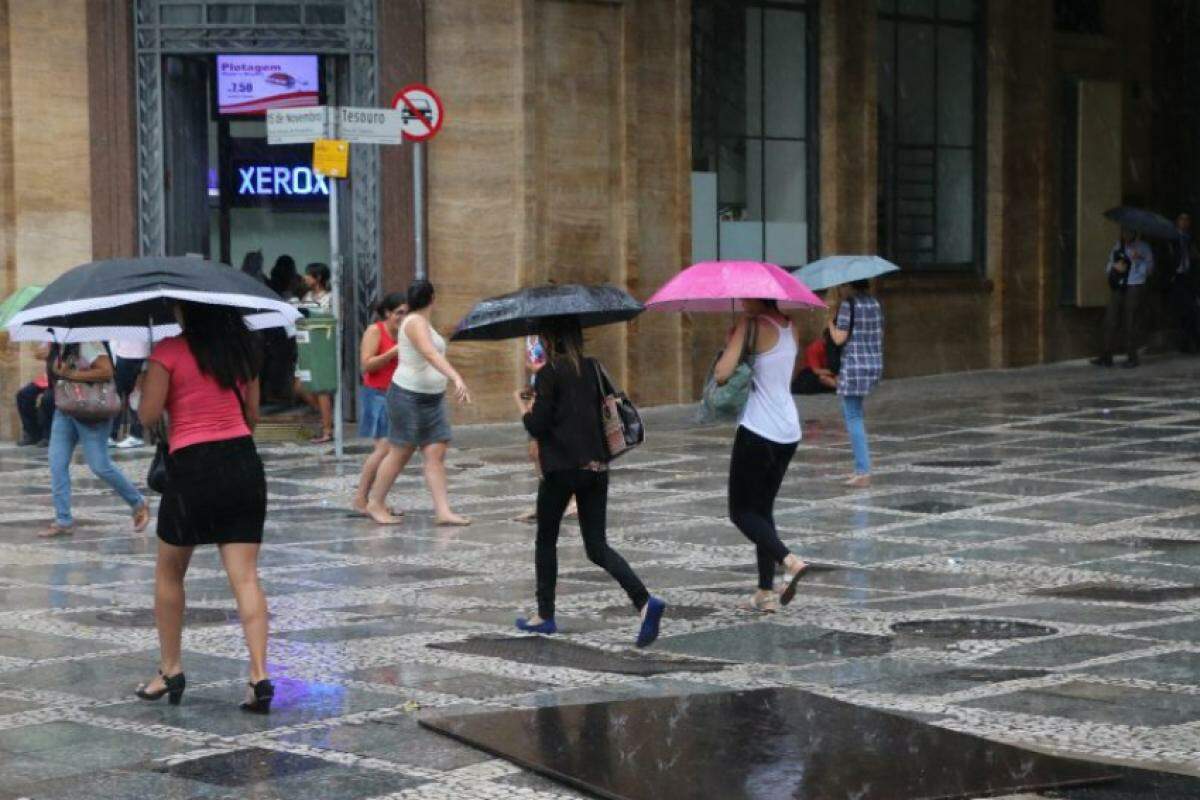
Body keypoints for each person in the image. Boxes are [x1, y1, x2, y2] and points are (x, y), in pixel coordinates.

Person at [135, 301, 273, 713]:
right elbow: (252, 417)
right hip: (242, 463)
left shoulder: (168, 352)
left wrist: (148, 378)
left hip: (192, 468)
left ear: (186, 311)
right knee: (245, 577)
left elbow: (148, 415)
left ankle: (171, 669)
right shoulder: (242, 352)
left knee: (170, 570)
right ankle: (259, 675)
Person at [514, 317, 666, 646]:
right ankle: (643, 602)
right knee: (597, 547)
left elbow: (538, 426)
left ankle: (545, 615)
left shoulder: (549, 372)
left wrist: (524, 405)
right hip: (597, 466)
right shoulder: (593, 367)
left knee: (546, 539)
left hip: (562, 468)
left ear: (550, 338)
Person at [715, 300, 810, 613]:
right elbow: (782, 374)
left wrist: (734, 343)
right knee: (762, 511)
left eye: (745, 296)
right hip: (788, 430)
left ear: (756, 297)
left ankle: (789, 560)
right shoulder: (791, 326)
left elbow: (722, 374)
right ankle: (766, 591)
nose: (741, 301)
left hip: (758, 429)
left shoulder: (750, 325)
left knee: (740, 512)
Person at [364, 280, 472, 526]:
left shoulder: (423, 323)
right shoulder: (413, 322)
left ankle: (443, 511)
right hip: (408, 396)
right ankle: (375, 503)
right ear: (433, 298)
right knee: (401, 450)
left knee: (436, 452)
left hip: (432, 398)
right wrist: (456, 377)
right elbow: (430, 353)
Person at [44, 342, 150, 538]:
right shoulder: (62, 345)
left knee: (99, 465)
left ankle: (138, 502)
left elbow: (107, 370)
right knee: (57, 464)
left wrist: (72, 375)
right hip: (66, 408)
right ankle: (63, 520)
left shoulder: (88, 343)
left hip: (91, 411)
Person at [352, 292, 407, 516]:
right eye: (399, 313)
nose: (403, 317)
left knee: (393, 450)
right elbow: (366, 365)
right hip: (377, 395)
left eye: (407, 313)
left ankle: (376, 500)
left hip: (398, 395)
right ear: (387, 313)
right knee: (384, 448)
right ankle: (361, 498)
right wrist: (393, 351)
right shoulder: (375, 331)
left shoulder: (407, 333)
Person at [515, 334, 577, 523]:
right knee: (536, 452)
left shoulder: (551, 332)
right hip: (538, 391)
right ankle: (549, 500)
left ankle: (571, 500)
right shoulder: (531, 335)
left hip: (550, 394)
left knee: (549, 450)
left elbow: (560, 363)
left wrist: (535, 368)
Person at [828, 280, 884, 487]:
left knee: (852, 416)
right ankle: (862, 469)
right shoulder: (874, 303)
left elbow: (839, 339)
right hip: (873, 363)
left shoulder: (848, 305)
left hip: (854, 366)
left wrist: (830, 324)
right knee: (856, 413)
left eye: (842, 285)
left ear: (849, 285)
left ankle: (863, 471)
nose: (840, 288)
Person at [1092, 228, 1153, 368]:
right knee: (1110, 319)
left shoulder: (1143, 247)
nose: (1125, 235)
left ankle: (1132, 357)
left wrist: (1139, 261)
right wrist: (1114, 267)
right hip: (1118, 285)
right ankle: (1106, 356)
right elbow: (1109, 263)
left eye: (1129, 232)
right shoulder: (1118, 246)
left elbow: (1150, 268)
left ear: (1135, 233)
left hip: (1134, 284)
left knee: (1130, 321)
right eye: (1123, 232)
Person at [297, 262, 334, 443]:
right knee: (300, 385)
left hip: (322, 347)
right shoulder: (306, 296)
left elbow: (333, 322)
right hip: (307, 346)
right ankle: (327, 418)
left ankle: (327, 429)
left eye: (308, 275)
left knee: (321, 389)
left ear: (318, 278)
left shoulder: (331, 298)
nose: (305, 278)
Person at [1166, 213, 1200, 353]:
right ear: (1177, 222)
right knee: (1183, 311)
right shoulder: (1171, 239)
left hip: (1189, 277)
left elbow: (1195, 258)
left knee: (1192, 310)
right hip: (1177, 277)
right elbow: (1167, 259)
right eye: (1182, 219)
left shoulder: (1190, 239)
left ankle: (1192, 342)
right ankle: (1186, 343)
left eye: (1187, 220)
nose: (1184, 222)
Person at [108, 339, 150, 449]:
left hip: (133, 356)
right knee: (122, 396)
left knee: (133, 396)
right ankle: (114, 433)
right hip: (126, 355)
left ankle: (135, 434)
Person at [15, 343, 53, 446]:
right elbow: (38, 354)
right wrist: (49, 352)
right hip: (47, 378)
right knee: (23, 395)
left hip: (64, 379)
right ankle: (32, 432)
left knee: (48, 399)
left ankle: (48, 435)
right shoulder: (51, 338)